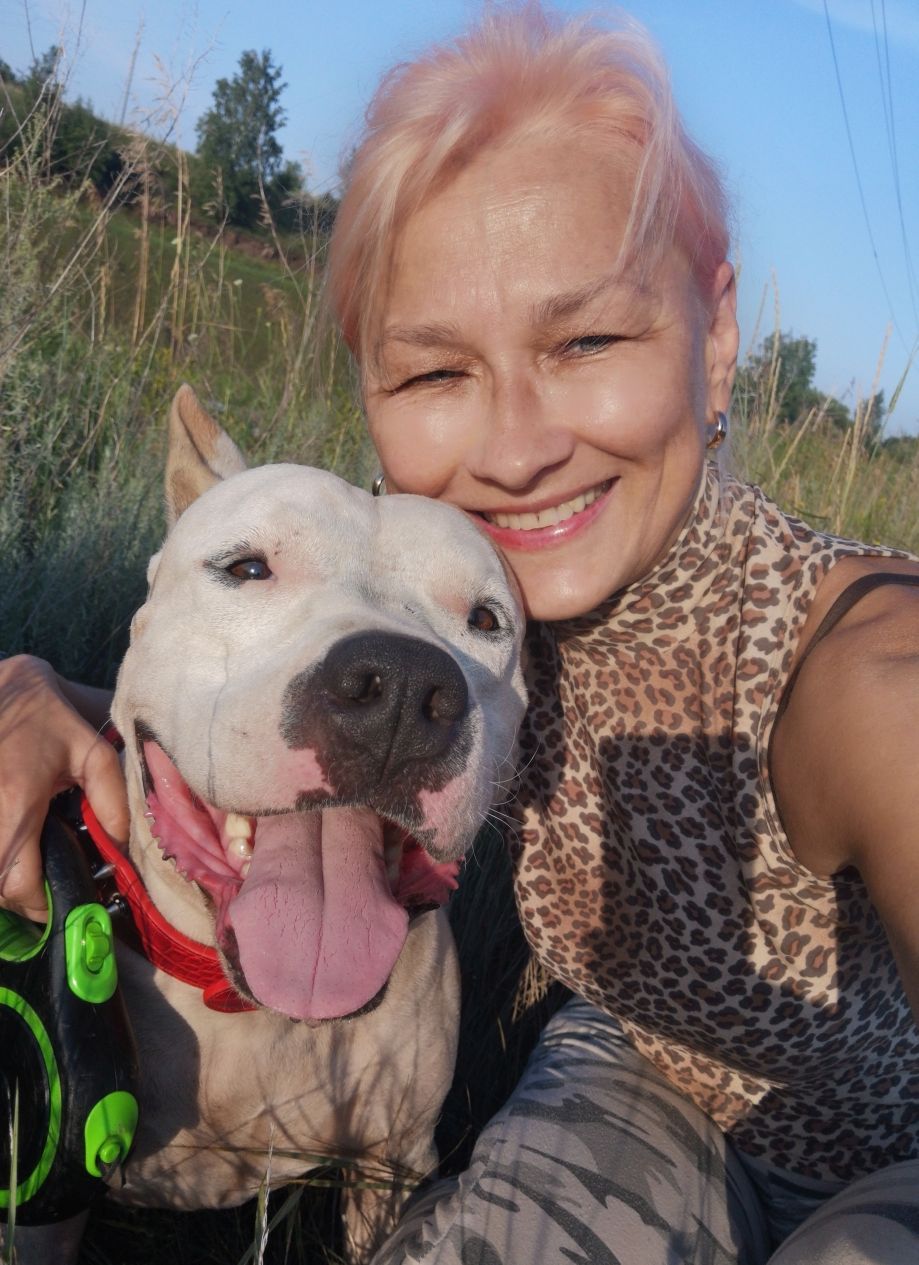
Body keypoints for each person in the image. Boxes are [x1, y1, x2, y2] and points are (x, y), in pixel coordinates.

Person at [2, 6, 917, 1263]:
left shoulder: (866, 677)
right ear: (368, 386)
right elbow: (253, 703)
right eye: (435, 371)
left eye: (587, 339)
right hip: (632, 1077)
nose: (516, 447)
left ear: (715, 340)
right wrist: (49, 693)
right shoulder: (485, 622)